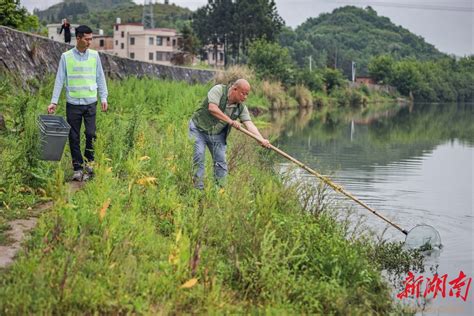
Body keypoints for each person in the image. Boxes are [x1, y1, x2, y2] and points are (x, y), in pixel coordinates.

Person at [47, 25, 108, 181]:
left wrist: (104, 97)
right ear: (78, 38)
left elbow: (100, 78)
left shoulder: (95, 56)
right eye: (87, 39)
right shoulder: (66, 57)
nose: (90, 42)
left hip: (90, 103)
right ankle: (77, 168)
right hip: (73, 103)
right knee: (73, 136)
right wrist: (54, 101)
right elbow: (59, 80)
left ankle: (89, 163)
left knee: (90, 134)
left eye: (91, 39)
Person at [189, 79, 271, 189]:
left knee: (221, 163)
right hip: (199, 129)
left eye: (247, 94)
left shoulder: (241, 108)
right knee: (199, 156)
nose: (245, 97)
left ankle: (220, 191)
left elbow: (250, 124)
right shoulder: (218, 90)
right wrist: (231, 121)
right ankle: (198, 190)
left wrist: (261, 139)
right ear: (234, 89)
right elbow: (212, 108)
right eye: (243, 93)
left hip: (217, 135)